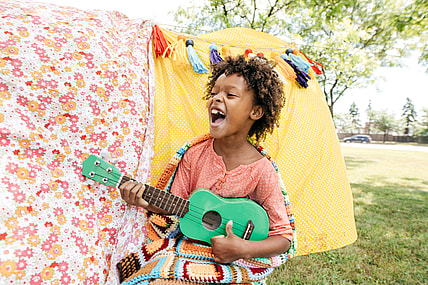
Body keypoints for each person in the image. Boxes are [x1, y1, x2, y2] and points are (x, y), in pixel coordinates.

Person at [118, 55, 294, 283]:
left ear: (256, 112)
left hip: (236, 259)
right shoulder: (195, 154)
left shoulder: (262, 170)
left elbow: (283, 238)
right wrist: (142, 199)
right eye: (214, 93)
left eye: (230, 95)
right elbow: (174, 202)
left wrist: (242, 248)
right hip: (188, 247)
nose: (216, 99)